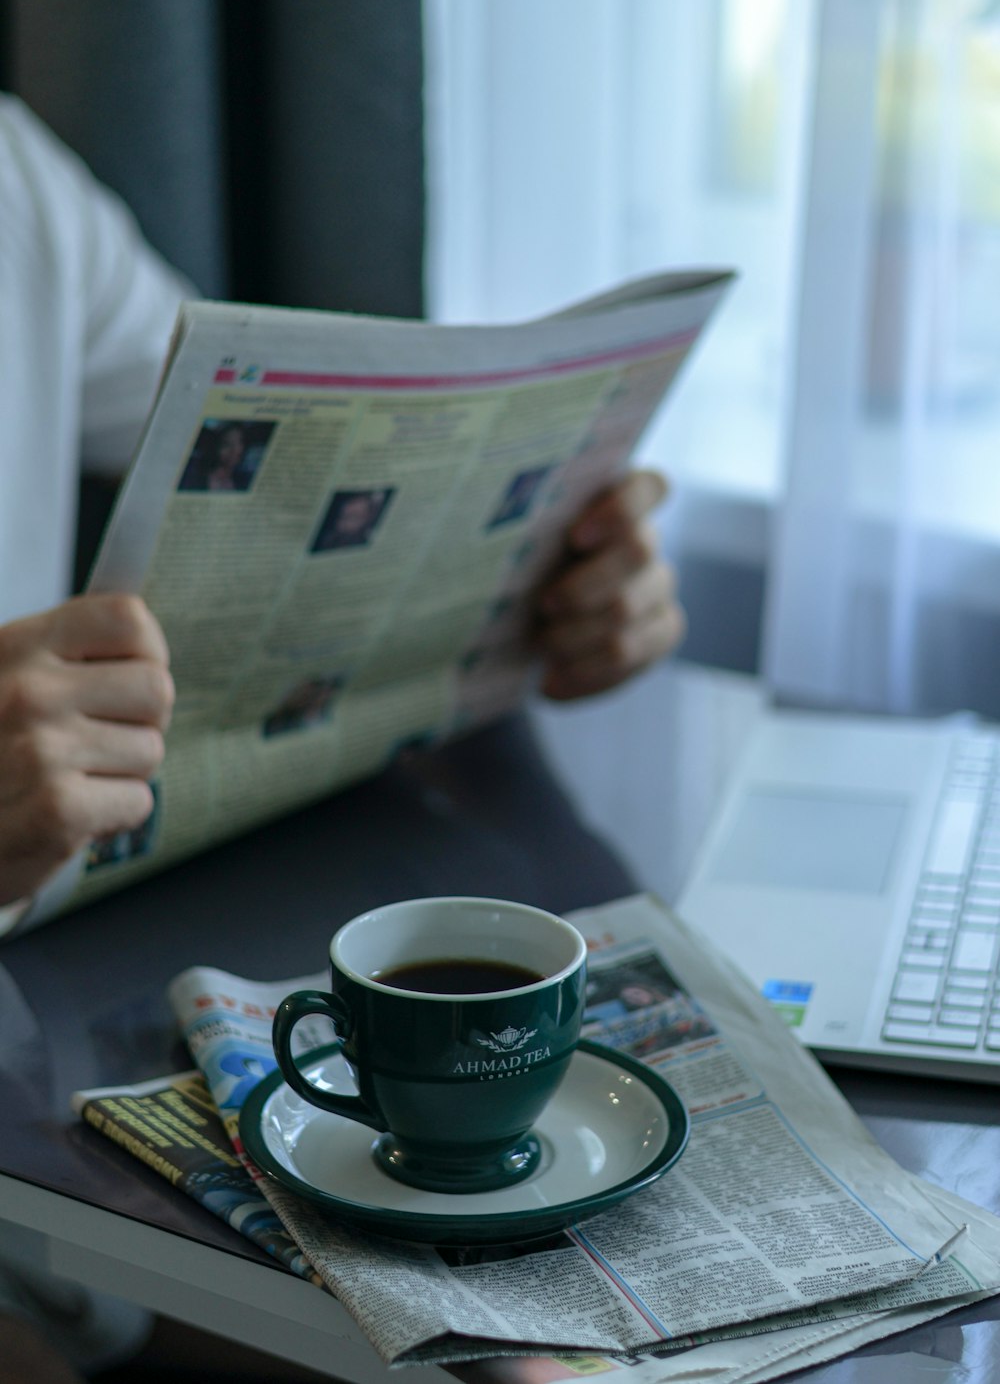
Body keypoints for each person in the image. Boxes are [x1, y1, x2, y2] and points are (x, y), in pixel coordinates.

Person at [0, 94, 686, 1380]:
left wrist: (558, 575)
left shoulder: (13, 175)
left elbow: (275, 455)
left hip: (54, 1101)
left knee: (542, 1357)